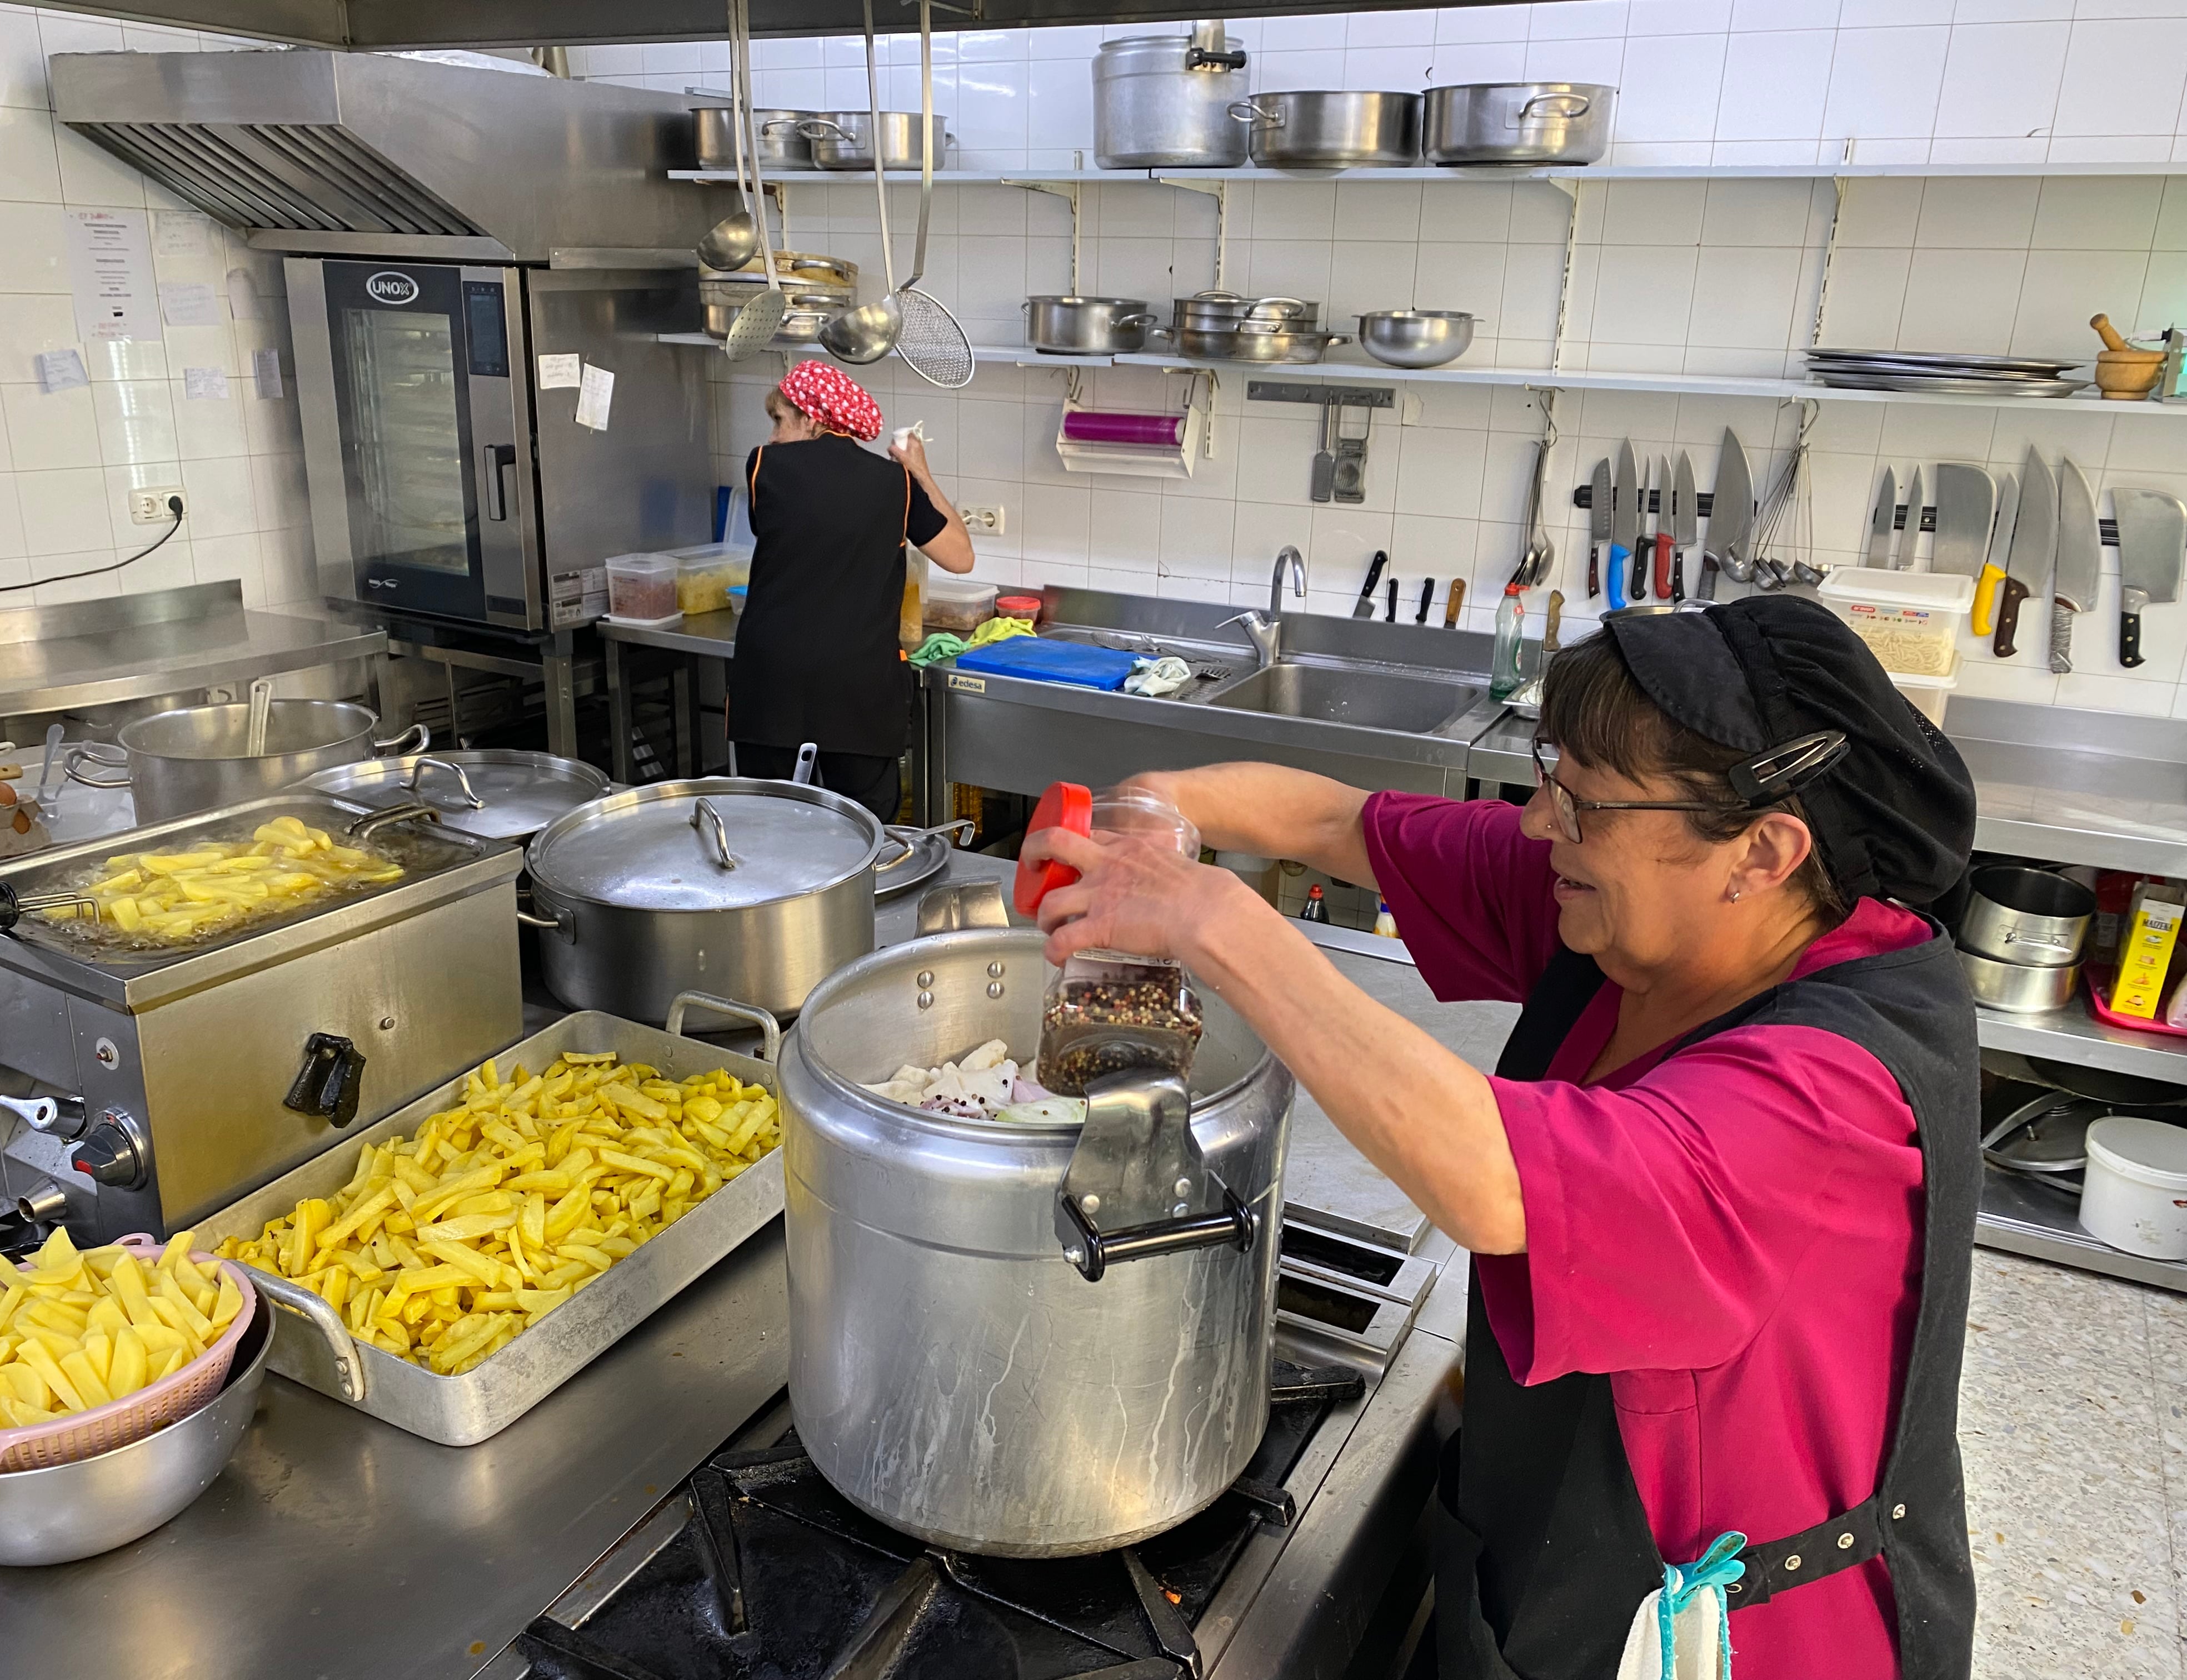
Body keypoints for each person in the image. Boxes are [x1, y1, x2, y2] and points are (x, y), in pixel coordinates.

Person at [1022, 596, 1980, 1680]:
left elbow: (1498, 1183)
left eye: (1584, 805)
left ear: (1762, 849)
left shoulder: (1834, 1100)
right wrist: (1157, 809)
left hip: (1738, 1642)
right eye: (1550, 778)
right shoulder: (1637, 900)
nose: (1539, 825)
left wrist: (1211, 920)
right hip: (1564, 1567)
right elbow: (1338, 823)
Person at [729, 360, 975, 821]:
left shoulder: (765, 467)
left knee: (765, 830)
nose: (774, 436)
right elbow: (961, 557)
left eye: (780, 421)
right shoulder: (893, 483)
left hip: (772, 688)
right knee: (862, 835)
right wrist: (918, 471)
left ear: (812, 418)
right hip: (858, 693)